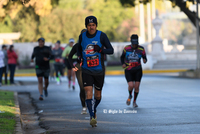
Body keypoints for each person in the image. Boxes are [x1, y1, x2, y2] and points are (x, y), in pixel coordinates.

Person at [75, 16, 114, 127]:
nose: (91, 27)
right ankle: (92, 116)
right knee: (88, 93)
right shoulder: (82, 36)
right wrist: (79, 57)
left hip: (99, 70)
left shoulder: (102, 35)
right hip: (86, 70)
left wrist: (101, 50)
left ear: (96, 25)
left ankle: (93, 109)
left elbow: (111, 50)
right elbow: (79, 50)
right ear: (86, 26)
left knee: (98, 96)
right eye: (89, 25)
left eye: (93, 25)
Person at [120, 34, 147, 108]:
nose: (135, 45)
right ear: (131, 42)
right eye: (133, 44)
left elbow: (145, 57)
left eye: (136, 44)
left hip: (138, 70)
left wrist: (144, 60)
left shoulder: (141, 49)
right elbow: (122, 57)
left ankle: (134, 101)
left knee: (137, 86)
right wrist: (123, 64)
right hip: (129, 70)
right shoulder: (126, 48)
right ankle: (130, 95)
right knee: (131, 85)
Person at [68, 29, 87, 114]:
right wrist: (72, 66)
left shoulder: (92, 45)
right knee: (82, 88)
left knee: (89, 88)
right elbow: (70, 57)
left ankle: (90, 104)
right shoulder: (77, 46)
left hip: (91, 67)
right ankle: (84, 106)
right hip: (80, 67)